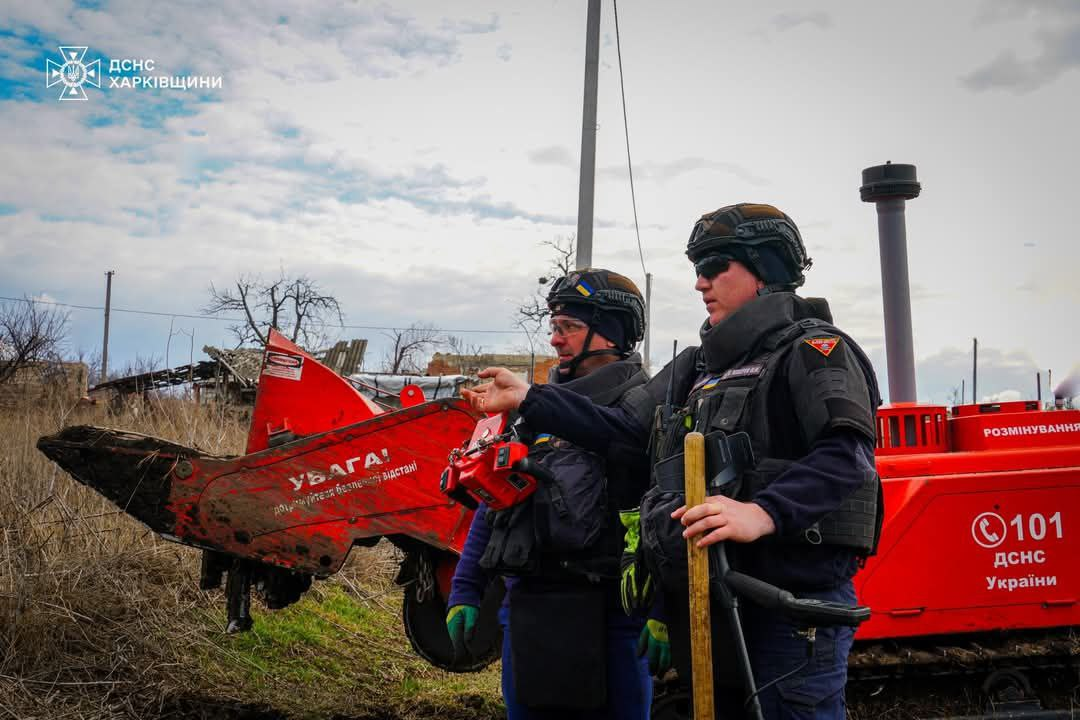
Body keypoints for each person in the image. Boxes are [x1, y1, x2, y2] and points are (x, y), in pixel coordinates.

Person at [462, 203, 883, 719]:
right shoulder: (697, 367)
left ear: (765, 269)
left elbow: (848, 455)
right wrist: (530, 399)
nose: (700, 283)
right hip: (716, 597)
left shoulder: (816, 349)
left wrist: (763, 512)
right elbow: (623, 433)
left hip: (789, 605)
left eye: (714, 267)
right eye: (697, 270)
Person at [446, 268, 659, 719]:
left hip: (612, 619)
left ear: (612, 334)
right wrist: (466, 589)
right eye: (554, 328)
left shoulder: (644, 408)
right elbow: (498, 498)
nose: (557, 340)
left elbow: (665, 514)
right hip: (528, 613)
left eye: (570, 327)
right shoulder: (532, 408)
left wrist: (664, 607)